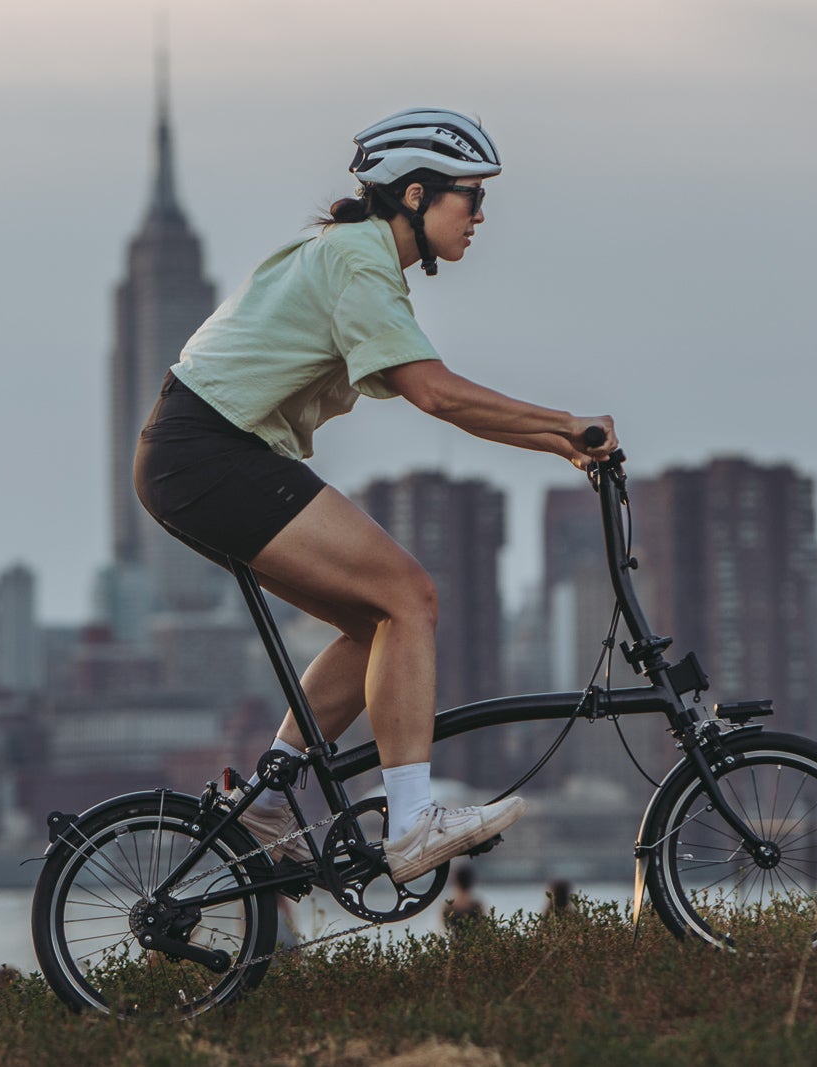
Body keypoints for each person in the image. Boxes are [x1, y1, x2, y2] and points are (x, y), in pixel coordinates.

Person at [134, 107, 618, 884]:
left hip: (200, 455)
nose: (482, 215)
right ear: (418, 194)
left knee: (374, 623)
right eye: (471, 196)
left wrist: (561, 443)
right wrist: (566, 423)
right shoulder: (359, 260)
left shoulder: (355, 256)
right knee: (409, 593)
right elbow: (436, 394)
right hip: (210, 452)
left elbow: (438, 395)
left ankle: (269, 803)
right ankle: (413, 821)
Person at [441, 864, 487, 938]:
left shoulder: (448, 907)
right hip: (474, 946)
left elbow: (442, 931)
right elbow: (485, 929)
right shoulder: (476, 905)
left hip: (455, 947)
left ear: (455, 881)